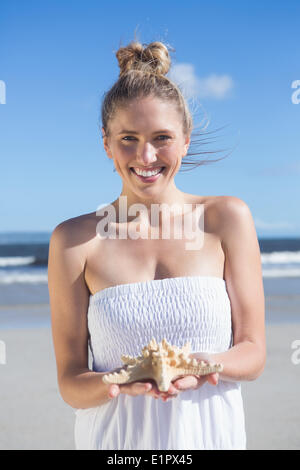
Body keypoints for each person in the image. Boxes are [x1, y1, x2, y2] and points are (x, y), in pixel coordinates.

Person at [47, 39, 266, 450]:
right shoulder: (74, 241)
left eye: (161, 137)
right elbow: (71, 382)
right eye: (127, 138)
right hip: (115, 442)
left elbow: (253, 353)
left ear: (185, 140)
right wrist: (120, 382)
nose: (145, 156)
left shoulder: (227, 219)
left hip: (209, 437)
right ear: (106, 144)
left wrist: (201, 365)